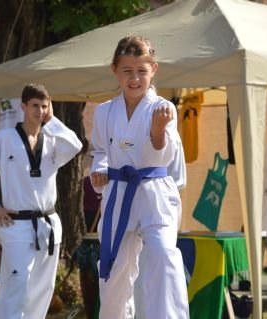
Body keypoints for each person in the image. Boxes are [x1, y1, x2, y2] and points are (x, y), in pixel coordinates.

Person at [90, 35, 189, 319]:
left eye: (142, 71)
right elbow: (99, 151)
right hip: (119, 193)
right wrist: (99, 170)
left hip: (154, 192)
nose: (135, 79)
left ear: (154, 70)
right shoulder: (104, 112)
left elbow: (163, 157)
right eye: (127, 71)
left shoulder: (163, 108)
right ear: (114, 70)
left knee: (161, 255)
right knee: (114, 271)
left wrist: (158, 130)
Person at [0, 83, 82, 319]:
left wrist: (52, 121)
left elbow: (75, 146)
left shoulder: (52, 141)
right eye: (35, 106)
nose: (39, 111)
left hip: (47, 223)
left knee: (43, 286)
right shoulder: (5, 139)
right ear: (23, 106)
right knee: (15, 283)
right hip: (16, 224)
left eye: (44, 106)